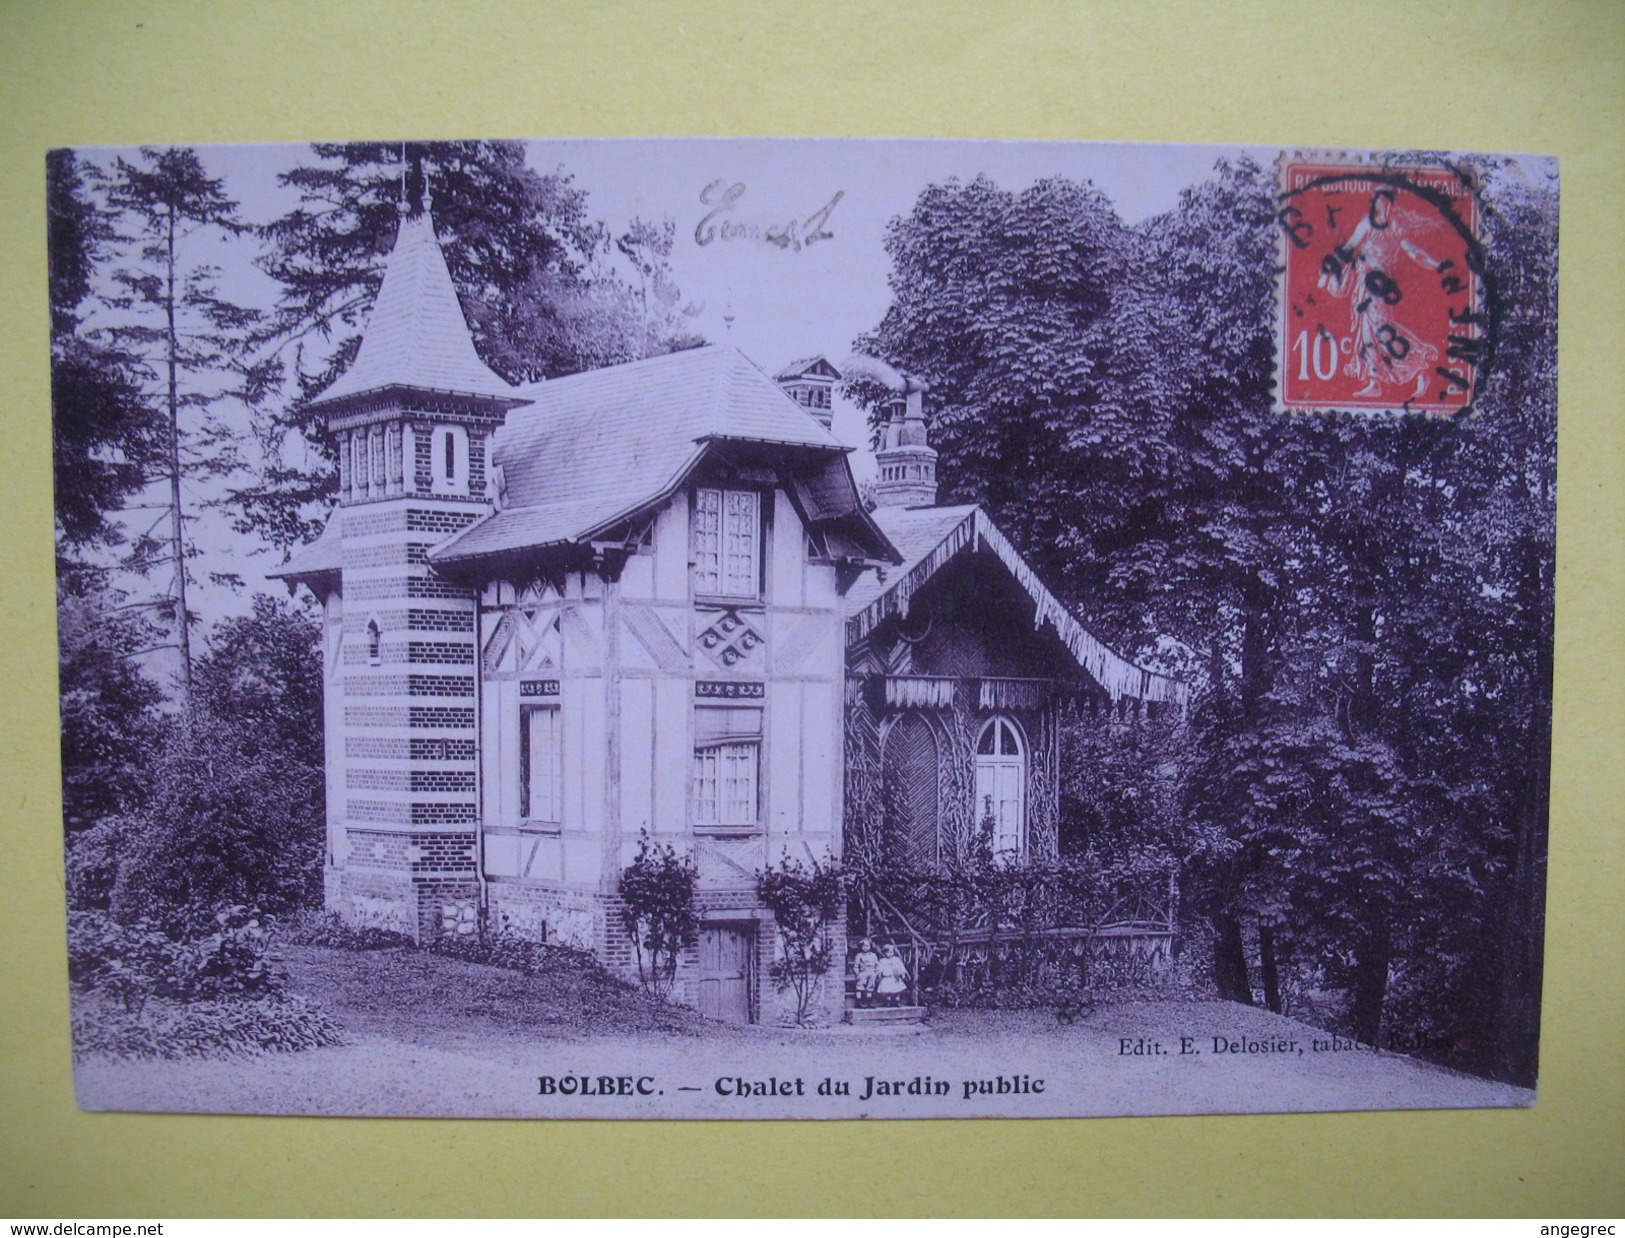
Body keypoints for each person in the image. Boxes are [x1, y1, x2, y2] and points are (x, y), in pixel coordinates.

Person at [875, 943, 909, 1008]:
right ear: (884, 953)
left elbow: (901, 966)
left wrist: (903, 973)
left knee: (897, 989)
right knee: (887, 990)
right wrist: (879, 973)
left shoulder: (896, 959)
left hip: (896, 976)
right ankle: (888, 1001)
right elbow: (879, 968)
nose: (890, 954)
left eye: (891, 952)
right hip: (887, 977)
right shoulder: (882, 961)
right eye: (888, 952)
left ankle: (897, 1001)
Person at [852, 939, 880, 1008]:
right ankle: (859, 1001)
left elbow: (877, 964)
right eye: (863, 946)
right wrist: (857, 973)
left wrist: (876, 972)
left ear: (870, 947)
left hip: (872, 971)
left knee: (870, 985)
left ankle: (869, 1000)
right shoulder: (859, 955)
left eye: (867, 946)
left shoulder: (873, 955)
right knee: (860, 985)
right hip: (863, 971)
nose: (865, 947)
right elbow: (856, 965)